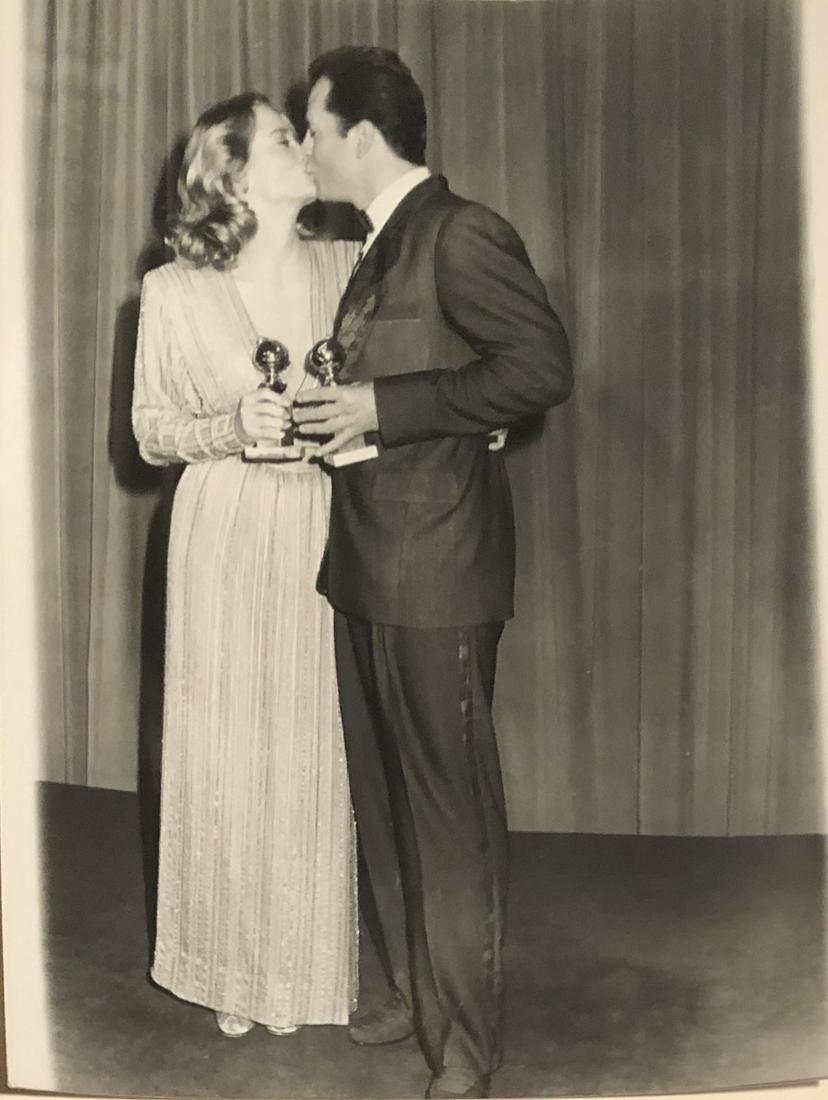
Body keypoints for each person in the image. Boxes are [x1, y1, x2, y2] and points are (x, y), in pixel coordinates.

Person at [293, 46, 573, 1100]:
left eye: (314, 129)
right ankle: (417, 995)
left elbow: (539, 368)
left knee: (447, 814)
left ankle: (464, 1046)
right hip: (365, 566)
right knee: (385, 801)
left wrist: (384, 408)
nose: (307, 147)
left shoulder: (459, 233)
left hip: (440, 573)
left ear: (362, 137)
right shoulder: (379, 244)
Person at [131, 92, 358, 1038]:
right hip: (221, 531)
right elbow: (149, 432)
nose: (305, 146)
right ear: (232, 174)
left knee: (308, 748)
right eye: (282, 137)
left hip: (322, 527)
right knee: (226, 751)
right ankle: (230, 963)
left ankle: (302, 971)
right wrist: (229, 425)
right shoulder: (172, 291)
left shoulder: (352, 265)